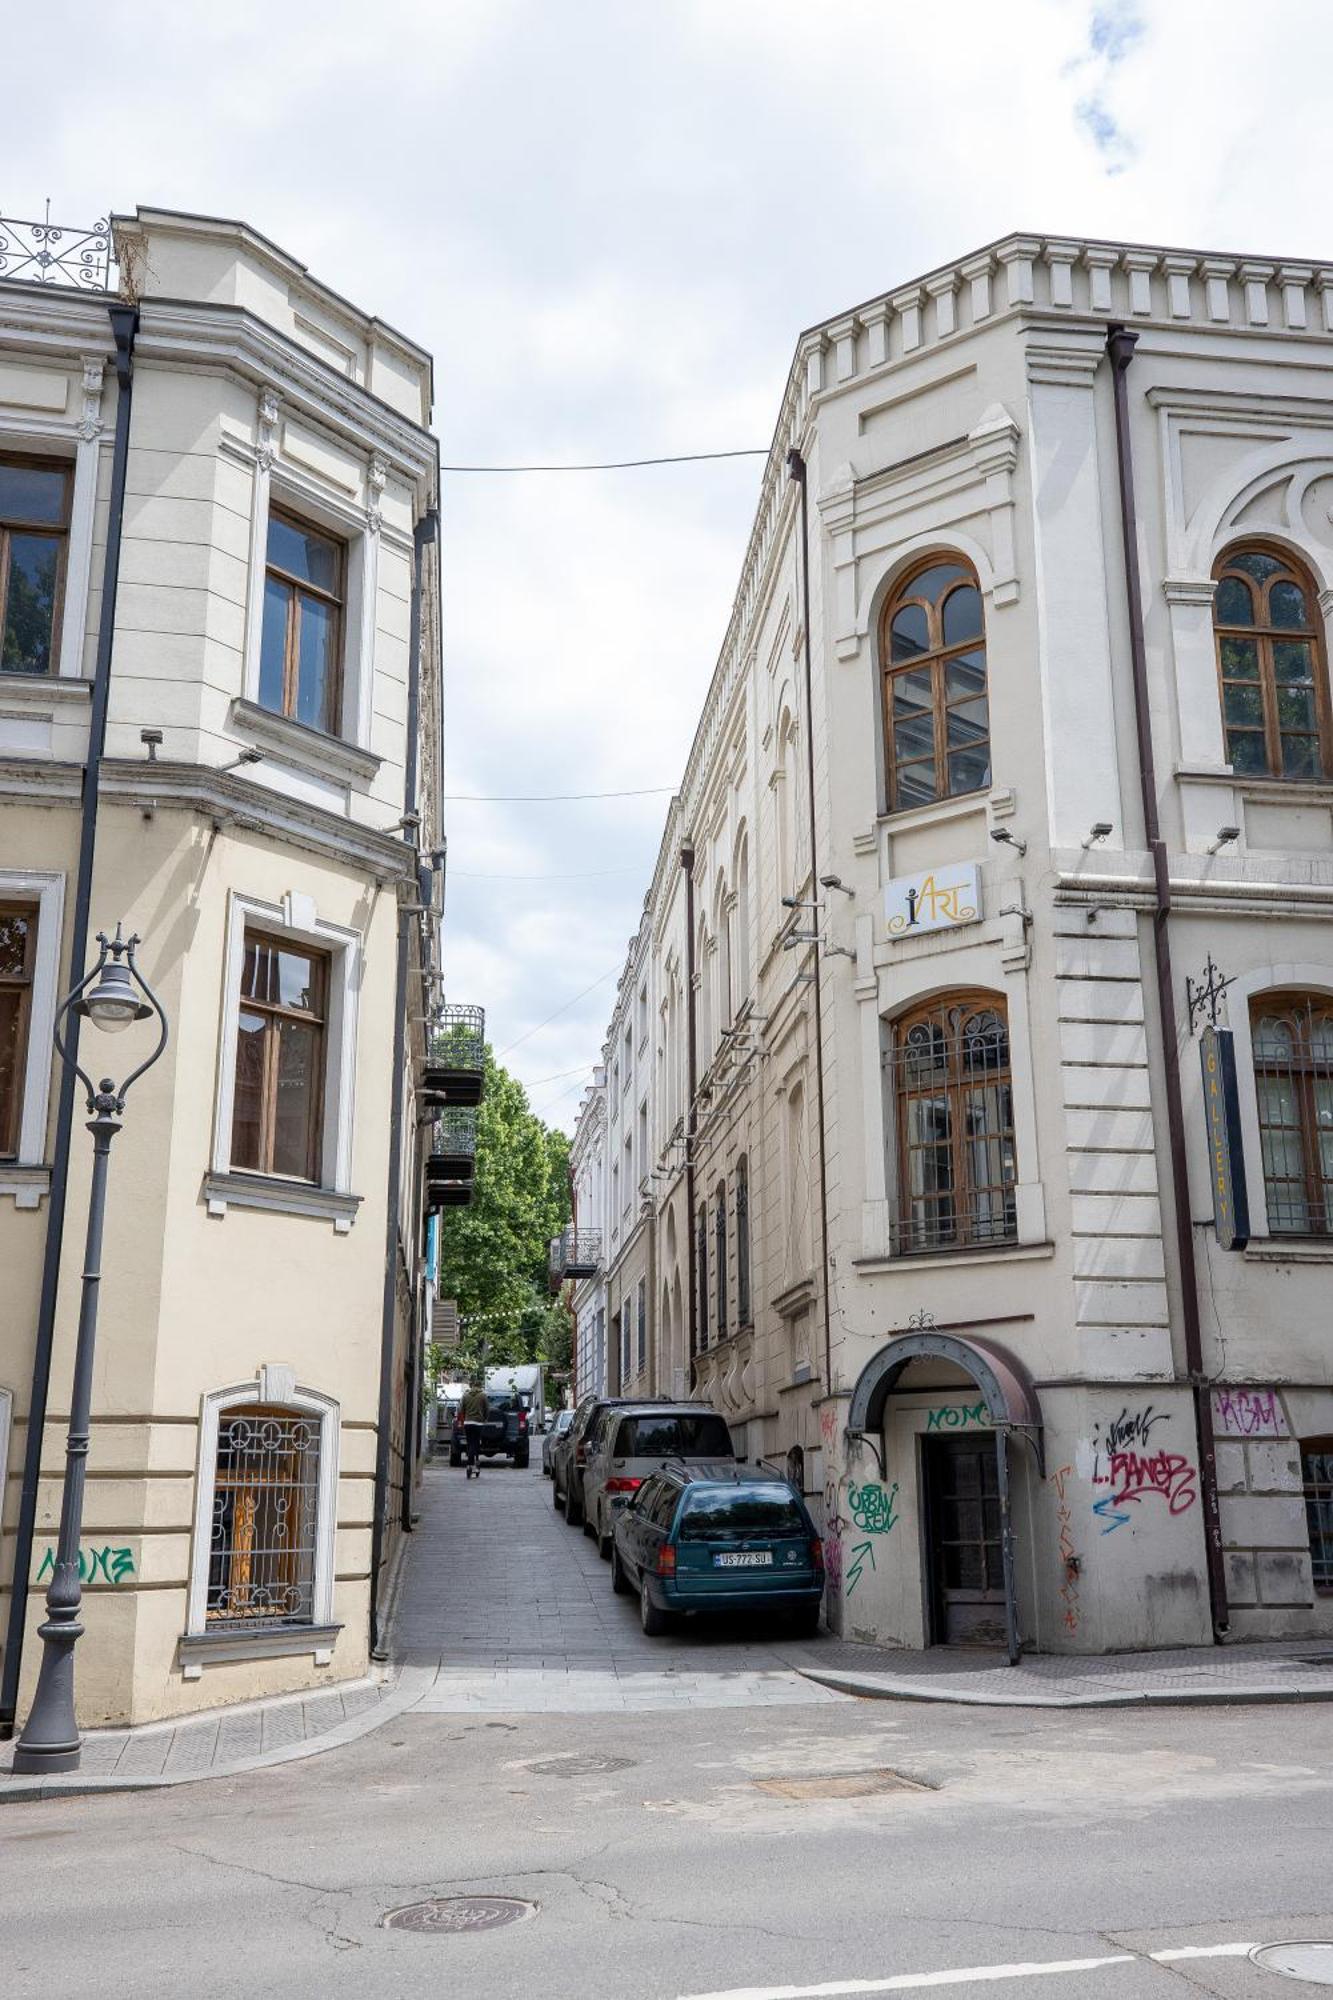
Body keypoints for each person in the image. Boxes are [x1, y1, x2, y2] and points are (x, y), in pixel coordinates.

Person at [461, 1377, 489, 1479]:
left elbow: (462, 1409)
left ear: (471, 1385)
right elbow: (487, 1409)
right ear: (480, 1386)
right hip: (478, 1423)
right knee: (476, 1444)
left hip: (468, 1423)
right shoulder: (483, 1396)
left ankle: (472, 1463)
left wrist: (465, 1418)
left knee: (470, 1443)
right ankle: (471, 1464)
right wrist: (485, 1419)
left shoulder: (465, 1395)